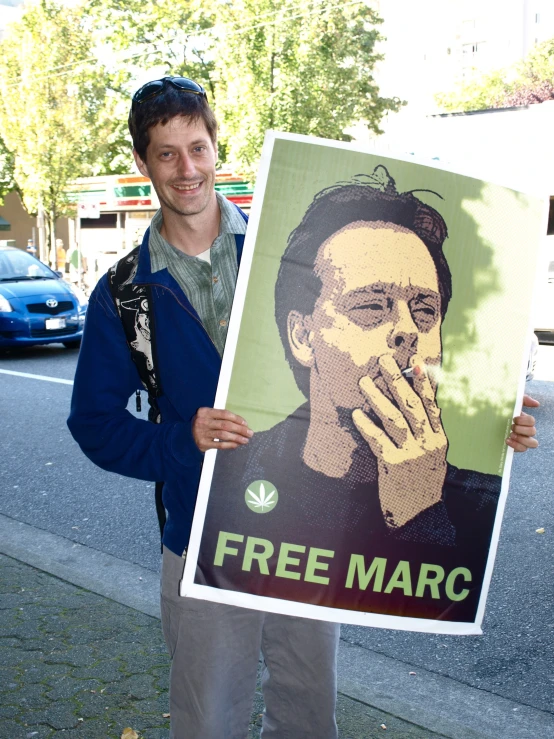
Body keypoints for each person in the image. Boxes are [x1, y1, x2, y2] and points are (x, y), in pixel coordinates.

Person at [67, 77, 538, 738]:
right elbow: (94, 424)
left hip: (313, 539)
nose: (187, 169)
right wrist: (182, 439)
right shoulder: (125, 292)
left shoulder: (286, 253)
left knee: (309, 715)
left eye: (197, 147)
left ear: (215, 145)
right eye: (166, 154)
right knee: (208, 720)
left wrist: (492, 421)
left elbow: (421, 385)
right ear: (143, 164)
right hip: (205, 543)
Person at [199, 169, 540, 621]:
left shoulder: (478, 502)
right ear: (302, 335)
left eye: (424, 310)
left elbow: (444, 611)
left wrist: (422, 510)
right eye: (371, 306)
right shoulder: (228, 474)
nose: (406, 331)